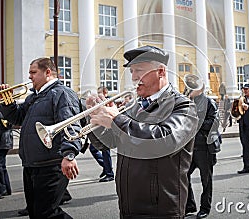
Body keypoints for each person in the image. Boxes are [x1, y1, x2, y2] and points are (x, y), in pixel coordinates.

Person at [77, 45, 198, 218]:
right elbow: (106, 143)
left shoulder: (183, 106)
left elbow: (165, 140)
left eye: (139, 71)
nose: (134, 78)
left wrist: (115, 120)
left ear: (161, 71)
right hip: (128, 203)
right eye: (132, 71)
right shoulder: (133, 106)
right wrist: (94, 117)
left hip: (160, 206)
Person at [0, 57, 82, 218]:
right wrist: (7, 103)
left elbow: (70, 126)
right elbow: (17, 118)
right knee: (36, 214)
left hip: (51, 164)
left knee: (47, 214)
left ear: (48, 72)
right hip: (32, 164)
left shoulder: (62, 93)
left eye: (33, 72)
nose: (29, 76)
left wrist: (69, 154)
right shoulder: (33, 97)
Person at [186, 84, 220, 219]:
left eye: (192, 88)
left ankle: (205, 207)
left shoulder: (209, 102)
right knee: (184, 175)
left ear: (200, 89)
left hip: (204, 147)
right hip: (190, 147)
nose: (189, 90)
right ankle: (190, 205)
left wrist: (196, 122)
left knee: (206, 179)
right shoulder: (188, 102)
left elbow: (214, 123)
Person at [88, 86, 114, 182]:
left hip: (105, 132)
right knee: (93, 149)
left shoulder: (109, 101)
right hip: (99, 131)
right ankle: (105, 167)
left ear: (105, 93)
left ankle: (109, 173)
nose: (98, 95)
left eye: (100, 93)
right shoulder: (99, 102)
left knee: (105, 152)